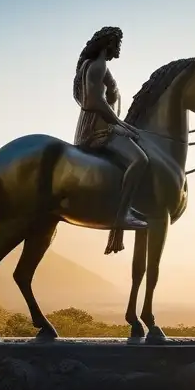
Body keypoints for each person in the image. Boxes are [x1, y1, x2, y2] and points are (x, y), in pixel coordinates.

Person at [72, 26, 148, 254]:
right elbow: (94, 101)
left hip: (97, 127)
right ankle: (122, 214)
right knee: (140, 160)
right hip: (99, 131)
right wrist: (117, 125)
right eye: (118, 43)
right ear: (109, 44)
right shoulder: (98, 65)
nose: (119, 48)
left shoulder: (92, 65)